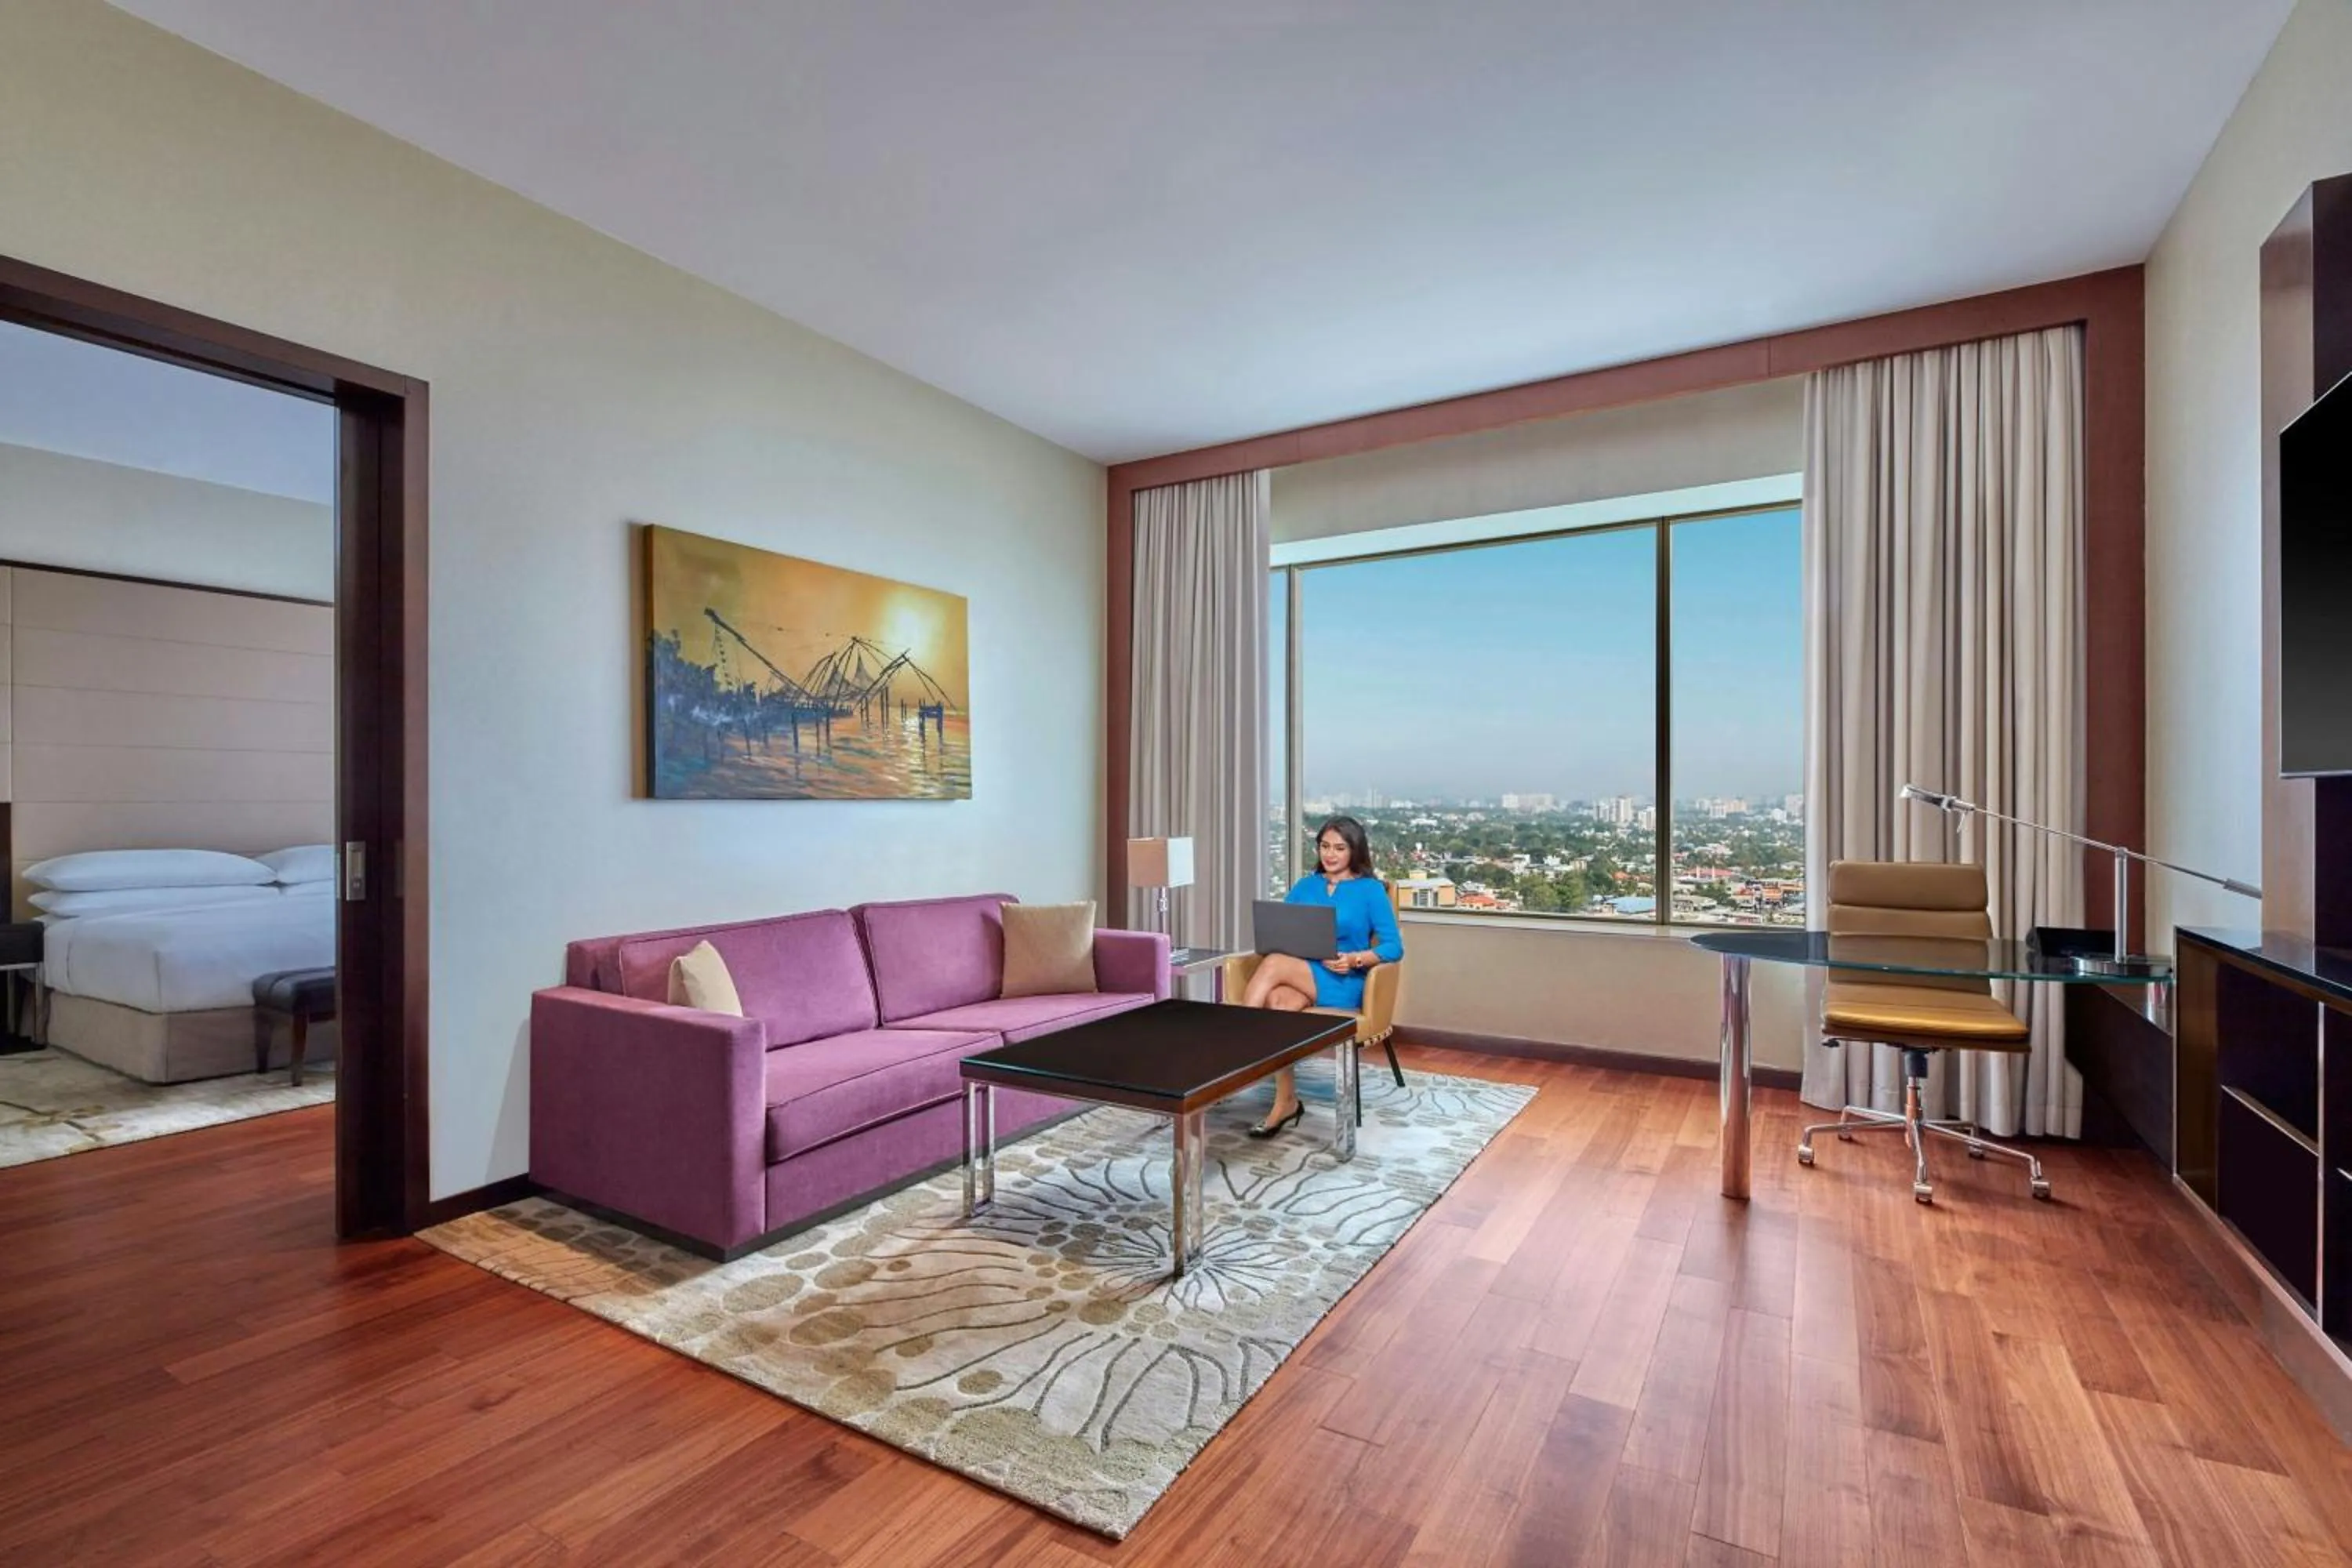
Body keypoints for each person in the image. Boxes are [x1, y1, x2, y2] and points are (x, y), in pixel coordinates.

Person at [1238, 814, 1404, 1137]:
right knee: (1278, 1004)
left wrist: (1356, 959)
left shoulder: (1371, 890)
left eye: (1339, 848)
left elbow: (1394, 947)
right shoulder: (1305, 885)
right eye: (1324, 846)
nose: (1329, 854)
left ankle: (1236, 1038)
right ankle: (1286, 1101)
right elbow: (1282, 931)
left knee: (1272, 963)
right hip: (1304, 974)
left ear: (1354, 851)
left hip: (1344, 982)